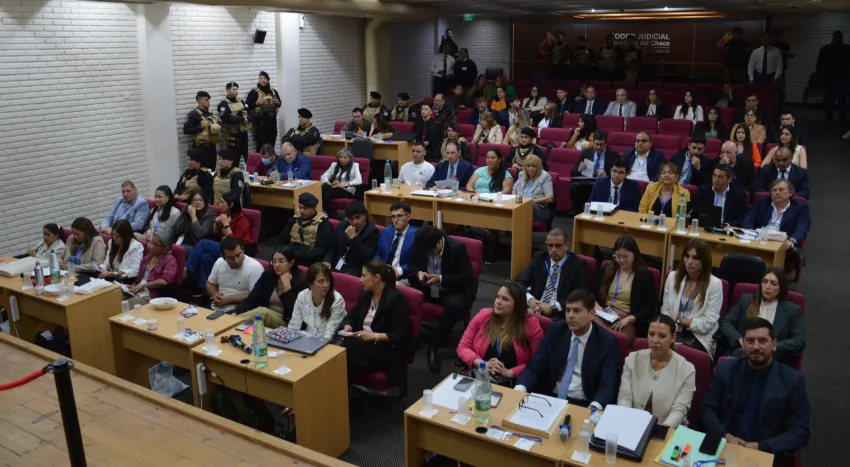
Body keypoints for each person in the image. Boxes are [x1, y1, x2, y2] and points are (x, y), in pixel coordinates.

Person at [701, 318, 811, 466]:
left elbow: (800, 431)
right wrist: (725, 436)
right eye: (750, 341)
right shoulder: (725, 370)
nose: (756, 347)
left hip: (766, 453)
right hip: (724, 445)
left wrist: (761, 446)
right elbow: (708, 408)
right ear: (743, 343)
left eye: (762, 341)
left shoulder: (792, 381)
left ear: (774, 344)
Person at [515, 289, 620, 408]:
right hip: (549, 398)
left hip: (583, 404)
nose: (570, 316)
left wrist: (594, 407)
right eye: (568, 310)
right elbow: (535, 366)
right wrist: (520, 388)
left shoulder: (607, 342)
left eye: (577, 311)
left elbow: (608, 384)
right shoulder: (556, 331)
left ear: (592, 314)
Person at [410, 226, 475, 373]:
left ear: (439, 242)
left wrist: (441, 279)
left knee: (455, 305)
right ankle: (410, 338)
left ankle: (434, 345)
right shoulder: (420, 244)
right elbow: (412, 265)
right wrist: (418, 273)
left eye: (431, 252)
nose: (429, 255)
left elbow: (465, 277)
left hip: (450, 289)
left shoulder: (457, 249)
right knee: (406, 295)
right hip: (426, 286)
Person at [456, 281, 545, 382]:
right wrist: (483, 364)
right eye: (498, 297)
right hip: (480, 375)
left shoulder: (531, 324)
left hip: (513, 381)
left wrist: (511, 372)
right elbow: (463, 347)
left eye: (505, 299)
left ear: (517, 304)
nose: (498, 302)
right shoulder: (484, 315)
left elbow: (537, 361)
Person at [618, 315, 696, 428]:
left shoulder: (687, 370)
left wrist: (662, 430)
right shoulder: (632, 359)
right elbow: (625, 397)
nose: (654, 340)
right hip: (632, 423)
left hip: (668, 427)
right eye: (651, 334)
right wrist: (625, 421)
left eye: (662, 336)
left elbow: (679, 410)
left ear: (673, 338)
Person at [342, 260, 411, 385]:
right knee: (343, 347)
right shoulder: (365, 294)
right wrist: (348, 327)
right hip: (362, 344)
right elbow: (351, 316)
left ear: (376, 278)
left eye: (364, 275)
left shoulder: (396, 299)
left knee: (347, 350)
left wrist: (375, 336)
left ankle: (344, 390)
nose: (360, 279)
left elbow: (400, 334)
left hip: (385, 350)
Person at [720, 268, 806, 364]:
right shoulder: (746, 300)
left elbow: (799, 341)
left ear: (781, 287)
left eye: (773, 284)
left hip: (773, 359)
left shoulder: (792, 310)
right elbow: (726, 322)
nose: (767, 287)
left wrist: (771, 346)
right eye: (765, 282)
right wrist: (739, 339)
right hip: (743, 353)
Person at [660, 239, 723, 356]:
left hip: (699, 336)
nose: (689, 262)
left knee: (679, 354)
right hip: (672, 330)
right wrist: (674, 325)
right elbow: (665, 310)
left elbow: (707, 323)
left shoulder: (715, 284)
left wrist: (680, 321)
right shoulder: (672, 277)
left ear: (704, 261)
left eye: (695, 258)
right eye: (687, 256)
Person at [595, 236, 658, 343]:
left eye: (625, 257)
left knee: (616, 339)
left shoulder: (644, 276)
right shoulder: (608, 268)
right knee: (588, 328)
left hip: (625, 318)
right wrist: (595, 303)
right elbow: (592, 292)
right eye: (617, 256)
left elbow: (649, 308)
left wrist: (630, 319)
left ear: (634, 255)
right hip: (603, 313)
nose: (621, 260)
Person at [516, 229, 590, 320]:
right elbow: (520, 282)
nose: (554, 250)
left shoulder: (577, 264)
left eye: (558, 246)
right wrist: (530, 300)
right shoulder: (540, 258)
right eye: (550, 245)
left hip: (559, 313)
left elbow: (581, 295)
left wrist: (554, 307)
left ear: (567, 246)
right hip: (535, 307)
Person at [185, 190, 252, 287]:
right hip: (222, 248)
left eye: (222, 202)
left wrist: (226, 225)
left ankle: (187, 270)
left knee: (203, 243)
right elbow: (215, 235)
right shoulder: (224, 215)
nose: (218, 205)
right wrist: (216, 225)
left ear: (231, 205)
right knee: (204, 257)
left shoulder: (242, 220)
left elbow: (234, 244)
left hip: (236, 252)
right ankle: (204, 288)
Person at [235, 246, 307, 327]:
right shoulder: (268, 276)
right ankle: (231, 321)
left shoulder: (302, 282)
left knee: (262, 312)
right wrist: (236, 313)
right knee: (258, 313)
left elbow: (295, 314)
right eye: (274, 261)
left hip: (287, 322)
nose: (276, 265)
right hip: (265, 319)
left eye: (281, 261)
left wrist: (287, 286)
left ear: (291, 263)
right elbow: (252, 299)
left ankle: (232, 323)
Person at [743, 179, 811, 263]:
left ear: (790, 193)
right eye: (774, 190)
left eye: (781, 189)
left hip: (782, 244)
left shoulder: (800, 207)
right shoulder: (762, 202)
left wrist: (791, 241)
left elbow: (802, 227)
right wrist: (752, 235)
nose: (777, 193)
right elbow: (747, 220)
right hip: (759, 240)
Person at [289, 262, 347, 340]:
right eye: (321, 281)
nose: (326, 285)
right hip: (309, 337)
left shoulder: (337, 300)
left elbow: (329, 334)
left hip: (331, 342)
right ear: (310, 284)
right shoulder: (302, 296)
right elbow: (294, 326)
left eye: (327, 280)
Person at [205, 237, 264, 313]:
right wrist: (216, 295)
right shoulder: (219, 263)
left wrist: (229, 299)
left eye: (238, 255)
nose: (236, 260)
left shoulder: (254, 267)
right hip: (215, 307)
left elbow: (255, 296)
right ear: (223, 257)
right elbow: (210, 284)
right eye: (231, 258)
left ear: (243, 250)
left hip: (239, 310)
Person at [278, 193, 334, 267]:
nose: (301, 211)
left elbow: (320, 250)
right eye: (300, 207)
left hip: (309, 261)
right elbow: (282, 240)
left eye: (305, 208)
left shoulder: (323, 225)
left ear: (313, 208)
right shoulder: (294, 220)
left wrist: (295, 255)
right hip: (290, 256)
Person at [324, 201, 379, 277]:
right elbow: (333, 247)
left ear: (365, 216)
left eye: (357, 217)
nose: (354, 222)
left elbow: (366, 257)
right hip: (337, 264)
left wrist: (354, 237)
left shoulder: (372, 231)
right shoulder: (342, 225)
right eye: (351, 219)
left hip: (355, 269)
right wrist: (327, 260)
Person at [569, 130, 621, 210]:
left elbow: (618, 173)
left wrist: (608, 175)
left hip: (603, 182)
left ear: (606, 144)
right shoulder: (586, 153)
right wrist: (580, 168)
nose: (599, 147)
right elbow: (573, 172)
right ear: (593, 142)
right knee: (573, 187)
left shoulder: (613, 155)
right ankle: (578, 211)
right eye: (596, 144)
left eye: (601, 144)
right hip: (587, 181)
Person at [127, 233, 179, 305]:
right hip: (137, 290)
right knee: (116, 296)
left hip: (150, 295)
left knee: (125, 304)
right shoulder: (147, 257)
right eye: (151, 243)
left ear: (165, 248)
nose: (151, 247)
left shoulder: (170, 261)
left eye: (155, 245)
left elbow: (164, 281)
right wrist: (133, 285)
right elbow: (140, 277)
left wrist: (143, 285)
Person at [374, 201, 418, 280]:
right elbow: (378, 254)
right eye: (393, 216)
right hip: (383, 273)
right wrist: (379, 267)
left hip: (404, 276)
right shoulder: (386, 232)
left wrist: (399, 271)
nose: (395, 220)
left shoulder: (416, 235)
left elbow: (416, 262)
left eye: (399, 216)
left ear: (408, 217)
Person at [165, 190, 216, 255]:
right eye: (194, 200)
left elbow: (200, 234)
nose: (198, 202)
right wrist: (167, 244)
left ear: (204, 201)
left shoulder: (210, 214)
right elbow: (174, 227)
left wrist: (193, 215)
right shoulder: (186, 209)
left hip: (195, 246)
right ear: (190, 202)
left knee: (179, 250)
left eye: (200, 200)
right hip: (179, 241)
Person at [817, 31, 850, 123]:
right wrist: (820, 77)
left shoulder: (846, 49)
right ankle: (830, 115)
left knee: (840, 98)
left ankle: (840, 116)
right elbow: (820, 64)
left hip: (841, 78)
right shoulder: (825, 50)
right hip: (830, 78)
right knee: (830, 98)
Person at [182, 91, 220, 169]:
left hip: (211, 147)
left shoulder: (210, 114)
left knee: (212, 171)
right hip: (200, 148)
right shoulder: (193, 114)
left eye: (209, 100)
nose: (208, 102)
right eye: (206, 100)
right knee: (201, 171)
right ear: (199, 100)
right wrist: (200, 127)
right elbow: (186, 130)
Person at [245, 71, 281, 151]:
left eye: (265, 78)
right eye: (261, 78)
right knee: (261, 146)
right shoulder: (254, 92)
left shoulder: (273, 92)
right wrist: (256, 103)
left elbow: (279, 104)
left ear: (268, 80)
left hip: (272, 123)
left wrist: (277, 102)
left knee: (271, 146)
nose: (263, 80)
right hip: (260, 123)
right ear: (259, 79)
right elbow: (246, 106)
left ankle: (271, 159)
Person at [513, 154, 554, 223]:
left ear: (538, 167)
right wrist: (515, 198)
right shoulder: (522, 174)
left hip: (538, 208)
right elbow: (514, 190)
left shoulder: (545, 177)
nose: (531, 169)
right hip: (520, 205)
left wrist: (531, 201)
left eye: (534, 166)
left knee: (527, 206)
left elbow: (549, 198)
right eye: (528, 166)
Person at [320, 147, 361, 216]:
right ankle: (331, 214)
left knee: (324, 187)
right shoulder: (334, 165)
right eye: (340, 157)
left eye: (345, 157)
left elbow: (359, 180)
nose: (342, 159)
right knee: (327, 194)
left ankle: (324, 212)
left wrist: (344, 185)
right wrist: (330, 184)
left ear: (350, 158)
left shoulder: (354, 166)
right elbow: (323, 176)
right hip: (334, 189)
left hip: (347, 191)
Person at [217, 82, 251, 159]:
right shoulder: (223, 105)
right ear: (228, 91)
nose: (236, 91)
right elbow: (226, 118)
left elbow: (249, 112)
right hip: (232, 135)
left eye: (237, 89)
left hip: (243, 132)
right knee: (234, 156)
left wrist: (248, 119)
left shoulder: (241, 101)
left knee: (244, 155)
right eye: (234, 89)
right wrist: (242, 119)